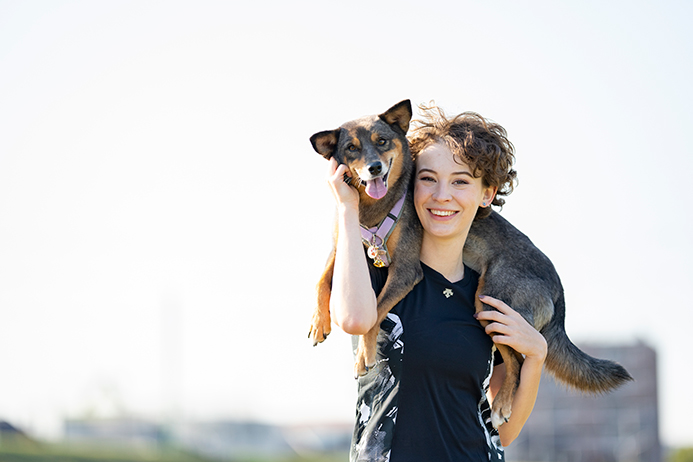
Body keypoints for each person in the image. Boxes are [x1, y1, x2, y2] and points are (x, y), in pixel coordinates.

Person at [326, 104, 548, 462]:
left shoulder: (489, 298)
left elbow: (502, 432)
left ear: (486, 194)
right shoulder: (377, 270)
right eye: (428, 178)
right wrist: (348, 207)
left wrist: (537, 356)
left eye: (460, 181)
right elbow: (353, 320)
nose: (442, 194)